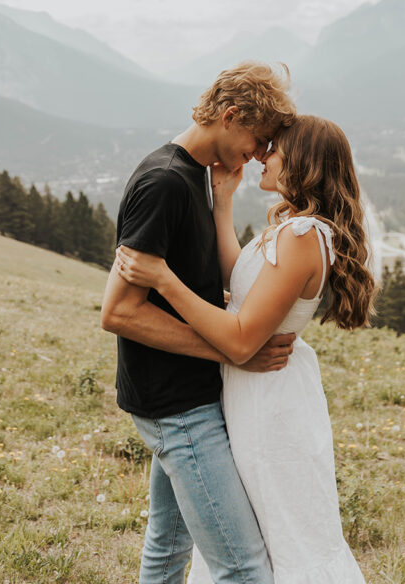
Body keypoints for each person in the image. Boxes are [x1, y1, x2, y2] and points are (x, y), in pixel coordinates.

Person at [117, 114, 375, 584]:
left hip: (270, 405)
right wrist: (223, 204)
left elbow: (239, 337)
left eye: (274, 148)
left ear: (304, 162)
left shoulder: (303, 237)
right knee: (243, 532)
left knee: (281, 539)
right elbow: (242, 280)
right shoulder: (293, 227)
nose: (262, 154)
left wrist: (162, 279)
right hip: (251, 394)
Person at [101, 62, 297, 584]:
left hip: (183, 395)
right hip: (177, 406)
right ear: (230, 116)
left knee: (168, 548)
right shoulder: (165, 182)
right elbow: (118, 311)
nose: (257, 155)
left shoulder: (199, 177)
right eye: (256, 140)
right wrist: (235, 351)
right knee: (244, 567)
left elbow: (185, 276)